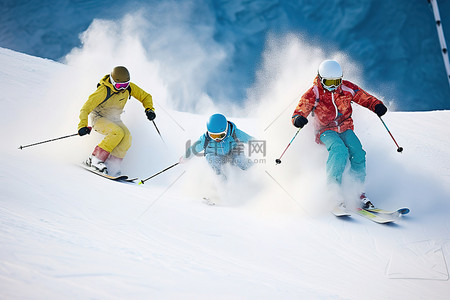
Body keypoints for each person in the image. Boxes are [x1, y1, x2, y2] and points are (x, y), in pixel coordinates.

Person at [291, 60, 387, 209]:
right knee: (339, 150)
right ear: (321, 79)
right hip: (324, 130)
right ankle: (333, 193)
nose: (333, 86)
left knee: (358, 152)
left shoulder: (346, 88)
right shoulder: (314, 92)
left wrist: (376, 105)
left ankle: (358, 192)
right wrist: (298, 118)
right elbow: (301, 109)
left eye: (336, 81)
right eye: (328, 82)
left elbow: (363, 97)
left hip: (345, 126)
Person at [77, 66, 156, 175]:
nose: (122, 88)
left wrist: (149, 109)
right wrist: (82, 126)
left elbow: (146, 96)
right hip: (99, 118)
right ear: (113, 82)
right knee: (117, 132)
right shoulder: (103, 91)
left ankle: (112, 164)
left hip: (115, 118)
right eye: (119, 86)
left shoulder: (129, 88)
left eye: (125, 85)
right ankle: (94, 159)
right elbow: (85, 109)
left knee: (127, 137)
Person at [181, 113, 254, 178]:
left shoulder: (234, 133)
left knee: (240, 160)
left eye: (221, 135)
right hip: (215, 154)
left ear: (226, 130)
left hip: (233, 151)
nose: (217, 139)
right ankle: (221, 179)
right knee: (213, 162)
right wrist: (186, 157)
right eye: (213, 136)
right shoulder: (206, 139)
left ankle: (254, 170)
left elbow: (249, 139)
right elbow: (195, 148)